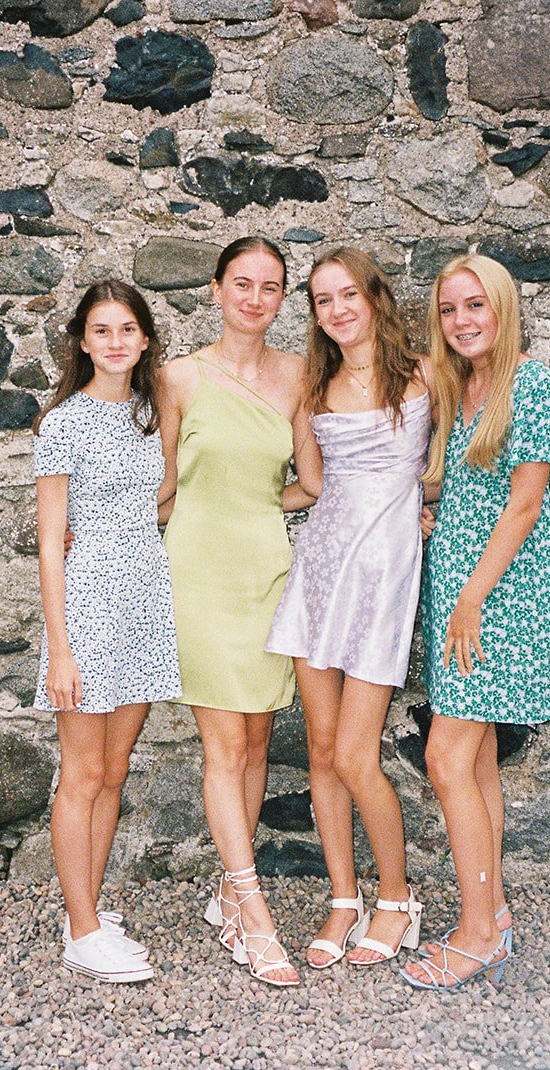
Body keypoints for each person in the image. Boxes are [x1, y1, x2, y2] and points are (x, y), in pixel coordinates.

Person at [400, 254, 550, 991]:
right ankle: (492, 909)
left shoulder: (526, 383)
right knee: (472, 764)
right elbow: (468, 487)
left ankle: (476, 936)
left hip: (493, 601)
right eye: (449, 309)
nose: (463, 321)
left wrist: (471, 596)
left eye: (476, 306)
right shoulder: (458, 386)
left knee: (445, 759)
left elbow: (526, 503)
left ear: (502, 311)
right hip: (458, 595)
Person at [265, 247, 432, 970]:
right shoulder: (314, 387)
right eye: (321, 300)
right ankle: (344, 898)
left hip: (385, 572)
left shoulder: (425, 375)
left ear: (374, 298)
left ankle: (397, 900)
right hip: (322, 570)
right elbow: (307, 485)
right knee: (323, 754)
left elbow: (448, 466)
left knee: (359, 755)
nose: (335, 311)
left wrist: (427, 508)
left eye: (346, 296)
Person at [157, 236, 314, 987]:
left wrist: (257, 506)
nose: (255, 299)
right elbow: (159, 488)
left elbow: (312, 483)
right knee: (225, 746)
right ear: (216, 290)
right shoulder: (178, 377)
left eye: (271, 287)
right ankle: (253, 912)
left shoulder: (300, 377)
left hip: (267, 570)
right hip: (197, 574)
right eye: (242, 284)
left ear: (283, 299)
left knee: (256, 741)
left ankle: (228, 884)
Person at [34, 280, 181, 984]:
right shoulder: (63, 423)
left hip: (144, 602)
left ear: (145, 338)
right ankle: (83, 931)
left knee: (115, 771)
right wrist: (60, 648)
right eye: (102, 330)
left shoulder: (152, 414)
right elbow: (48, 539)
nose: (116, 341)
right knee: (84, 773)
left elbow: (167, 495)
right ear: (83, 341)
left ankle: (84, 905)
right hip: (88, 606)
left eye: (128, 329)